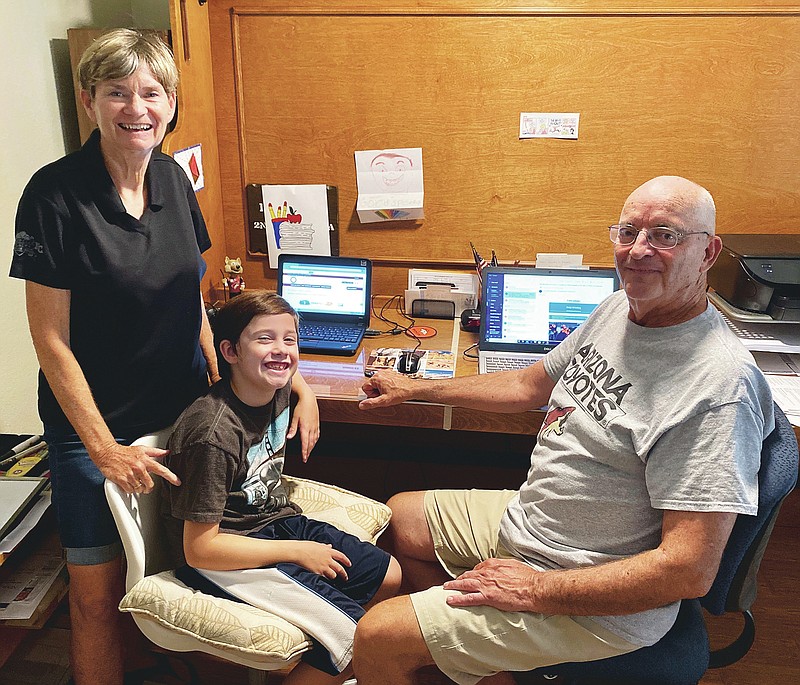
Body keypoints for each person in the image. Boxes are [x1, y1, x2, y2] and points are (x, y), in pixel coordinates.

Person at [352, 176, 774, 685]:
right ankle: (490, 667)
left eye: (665, 235)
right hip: (538, 522)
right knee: (400, 517)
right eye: (628, 232)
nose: (638, 251)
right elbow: (530, 385)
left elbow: (687, 569)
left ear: (708, 252)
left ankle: (448, 647)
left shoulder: (717, 388)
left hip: (597, 593)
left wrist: (533, 590)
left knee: (376, 636)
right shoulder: (622, 307)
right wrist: (417, 389)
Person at [9, 29, 319, 685]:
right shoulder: (53, 195)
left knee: (175, 567)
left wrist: (291, 382)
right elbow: (50, 339)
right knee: (95, 598)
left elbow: (198, 305)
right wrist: (102, 447)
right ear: (90, 99)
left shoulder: (174, 177)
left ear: (170, 102)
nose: (136, 108)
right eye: (117, 92)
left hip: (181, 415)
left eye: (151, 92)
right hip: (98, 431)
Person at [162, 290, 402, 684]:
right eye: (264, 339)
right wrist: (297, 551)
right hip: (228, 552)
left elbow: (287, 370)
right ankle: (344, 646)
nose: (281, 350)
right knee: (368, 641)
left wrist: (306, 394)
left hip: (274, 519)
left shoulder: (272, 387)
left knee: (389, 575)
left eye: (289, 339)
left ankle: (331, 643)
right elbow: (199, 549)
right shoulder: (212, 434)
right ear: (230, 352)